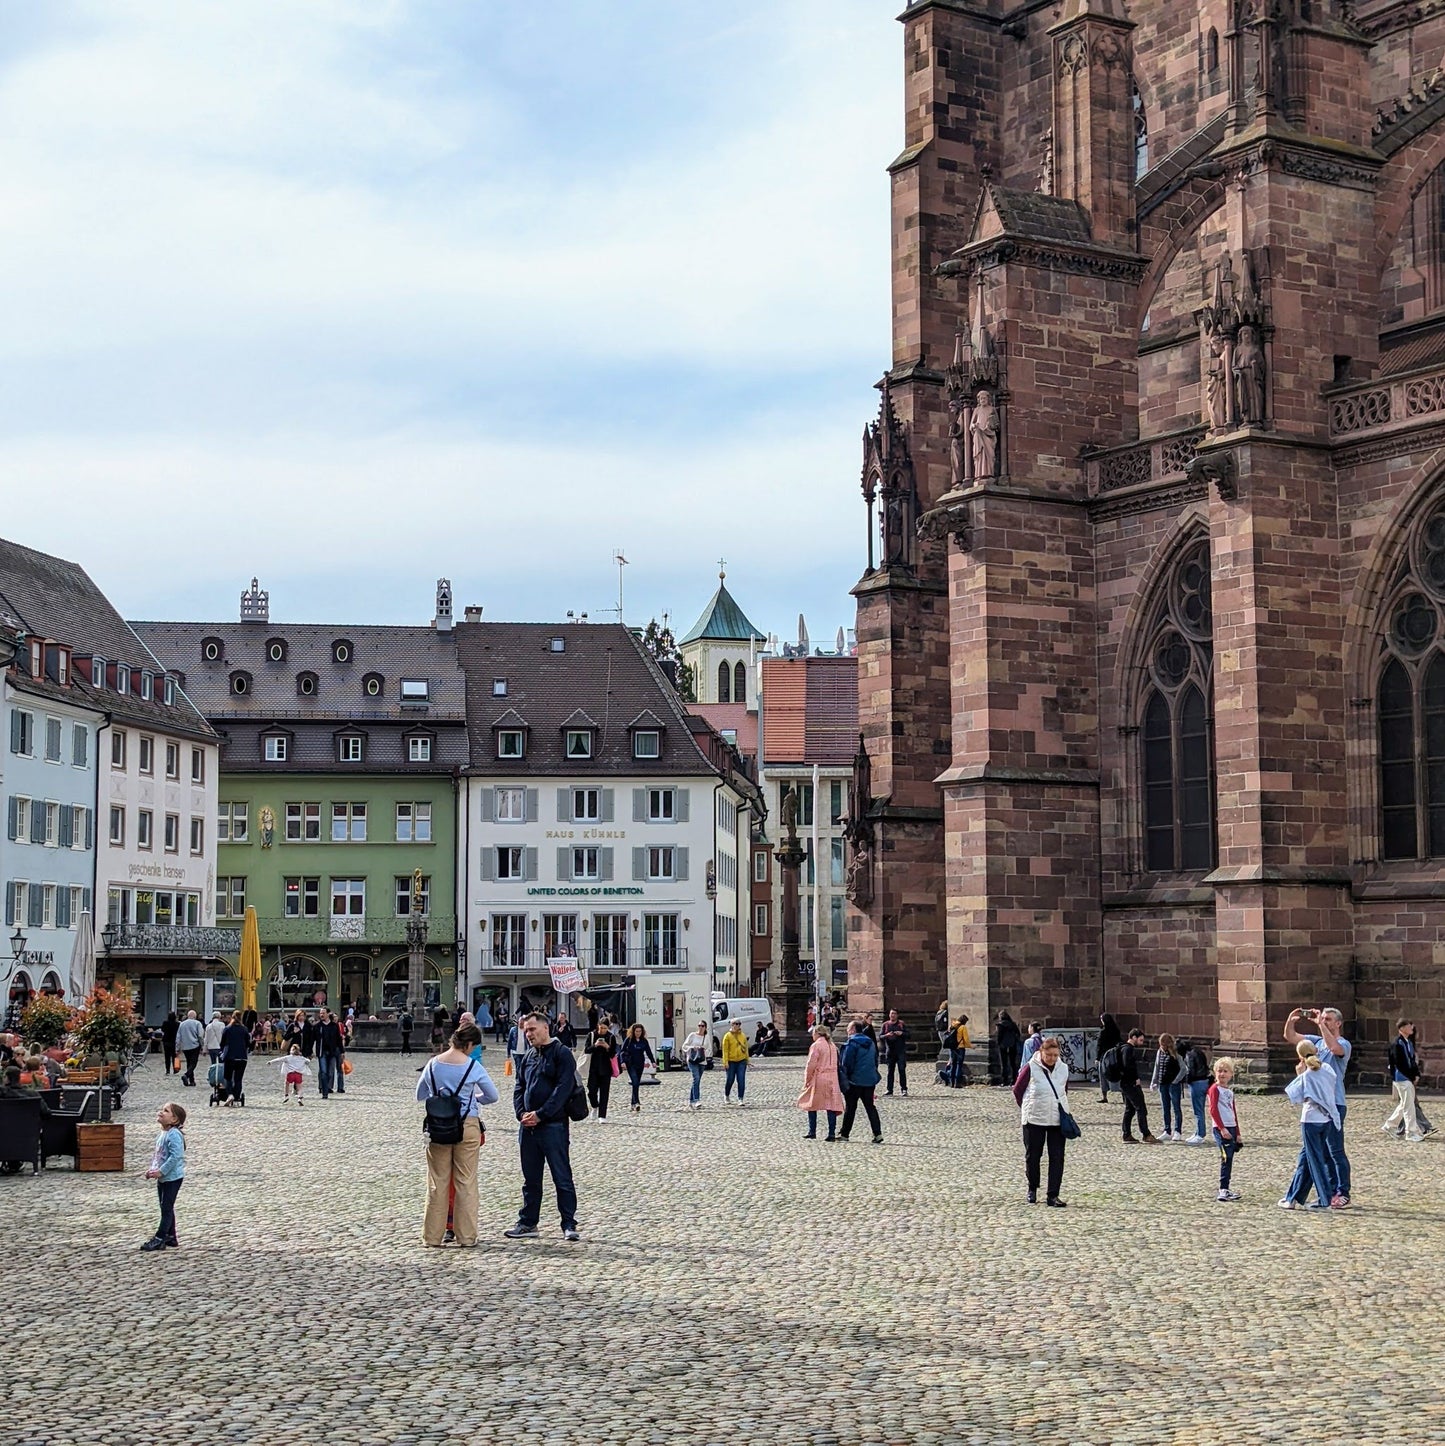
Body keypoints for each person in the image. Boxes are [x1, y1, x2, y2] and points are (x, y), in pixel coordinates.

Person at [416, 1023, 499, 1247]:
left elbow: (419, 1093)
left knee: (437, 1182)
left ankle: (432, 1237)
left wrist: (440, 1095)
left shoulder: (433, 1064)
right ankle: (467, 1237)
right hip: (467, 1125)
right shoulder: (472, 1067)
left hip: (437, 1127)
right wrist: (474, 1098)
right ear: (469, 1044)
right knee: (465, 1181)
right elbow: (493, 1095)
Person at [506, 1013, 580, 1242]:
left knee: (562, 1176)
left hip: (553, 1126)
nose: (528, 1034)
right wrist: (521, 1113)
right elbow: (519, 1086)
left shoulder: (561, 1054)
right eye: (526, 1030)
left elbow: (563, 1089)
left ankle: (569, 1223)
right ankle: (528, 1222)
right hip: (528, 1128)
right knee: (531, 1179)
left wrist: (541, 1114)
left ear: (546, 1028)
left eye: (532, 1029)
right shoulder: (528, 1055)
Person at [1282, 1006, 1352, 1207]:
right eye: (1324, 1018)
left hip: (1335, 1104)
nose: (1326, 1021)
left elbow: (1334, 1048)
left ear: (1338, 1023)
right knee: (1316, 1152)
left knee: (1335, 1150)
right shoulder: (1316, 1042)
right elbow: (1292, 1037)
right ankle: (1320, 1193)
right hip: (1316, 1106)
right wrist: (1290, 1020)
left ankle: (1342, 1192)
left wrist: (1321, 1026)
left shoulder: (1344, 1044)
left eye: (1329, 1019)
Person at [1012, 1034, 1074, 1206]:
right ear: (1042, 1052)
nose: (1052, 1058)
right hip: (1034, 1118)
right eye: (1049, 1055)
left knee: (1057, 1157)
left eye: (1055, 1055)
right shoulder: (1031, 1067)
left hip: (1056, 1118)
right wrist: (1027, 1106)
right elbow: (1017, 1090)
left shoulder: (1063, 1069)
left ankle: (1053, 1195)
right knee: (1033, 1156)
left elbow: (1063, 1090)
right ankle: (1032, 1188)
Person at [1280, 1041, 1341, 1211]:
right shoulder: (1328, 1069)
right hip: (1327, 1119)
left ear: (1300, 1056)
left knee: (1315, 1161)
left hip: (1310, 1120)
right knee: (1305, 1160)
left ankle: (1324, 1199)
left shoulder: (1306, 1075)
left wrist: (1299, 1074)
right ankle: (1293, 1197)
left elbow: (1295, 1097)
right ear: (1315, 1051)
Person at [140, 1101, 186, 1251]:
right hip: (163, 1177)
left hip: (173, 1178)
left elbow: (175, 1157)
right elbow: (158, 1156)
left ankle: (160, 1238)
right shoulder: (163, 1134)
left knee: (166, 1207)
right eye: (162, 1110)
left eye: (166, 1111)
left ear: (174, 1120)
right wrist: (153, 1170)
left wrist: (162, 1171)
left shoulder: (174, 1135)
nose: (161, 1112)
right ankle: (171, 1237)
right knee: (165, 1206)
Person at [838, 1020, 883, 1143]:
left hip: (855, 1081)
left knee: (851, 1107)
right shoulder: (871, 1043)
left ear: (853, 1030)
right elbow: (875, 1060)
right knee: (870, 1107)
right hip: (869, 1080)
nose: (847, 1031)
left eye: (848, 1029)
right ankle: (878, 1133)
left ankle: (845, 1134)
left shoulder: (852, 1043)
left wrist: (846, 1077)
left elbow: (847, 1063)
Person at [798, 1024, 845, 1140]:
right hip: (832, 1078)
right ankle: (831, 1133)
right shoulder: (832, 1045)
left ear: (817, 1033)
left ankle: (812, 1131)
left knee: (812, 1104)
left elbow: (811, 1064)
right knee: (831, 1106)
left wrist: (807, 1079)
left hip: (820, 1077)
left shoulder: (816, 1046)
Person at [1381, 1019, 1425, 1143]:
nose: (1411, 1027)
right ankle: (1410, 1132)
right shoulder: (1397, 1043)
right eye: (1408, 1026)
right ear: (1402, 1028)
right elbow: (1400, 1064)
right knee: (1408, 1106)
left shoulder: (1408, 1043)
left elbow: (1412, 1061)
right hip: (1401, 1078)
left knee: (1405, 1103)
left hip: (1408, 1077)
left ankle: (1389, 1125)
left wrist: (1416, 1074)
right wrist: (1411, 1076)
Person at [1206, 1057, 1242, 1202]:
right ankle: (1223, 1189)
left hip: (1231, 1126)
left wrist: (1238, 1133)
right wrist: (1222, 1128)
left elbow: (1233, 1112)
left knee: (1230, 1157)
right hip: (1222, 1128)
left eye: (1225, 1071)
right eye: (1219, 1071)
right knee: (1225, 1158)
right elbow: (1213, 1110)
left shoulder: (1229, 1092)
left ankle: (1226, 1188)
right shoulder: (1214, 1089)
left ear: (1231, 1074)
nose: (1222, 1074)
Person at [1119, 1028, 1160, 1144]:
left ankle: (1126, 1134)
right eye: (1140, 1040)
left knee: (1130, 1109)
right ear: (1134, 1038)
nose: (1141, 1043)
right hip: (1130, 1084)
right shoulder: (1128, 1049)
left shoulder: (1124, 1048)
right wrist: (1135, 1078)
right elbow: (1127, 1066)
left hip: (1125, 1083)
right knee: (1141, 1108)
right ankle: (1146, 1134)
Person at [1150, 1033, 1185, 1141]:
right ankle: (1167, 1130)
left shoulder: (1176, 1053)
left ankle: (1177, 1131)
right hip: (1163, 1083)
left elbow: (1184, 1069)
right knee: (1165, 1108)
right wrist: (1153, 1081)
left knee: (1176, 1108)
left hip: (1173, 1085)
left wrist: (1176, 1080)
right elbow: (1157, 1067)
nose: (1162, 1047)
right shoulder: (1159, 1052)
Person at [1181, 1038, 1212, 1144]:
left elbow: (1190, 1070)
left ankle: (1200, 1134)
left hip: (1196, 1083)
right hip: (1204, 1081)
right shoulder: (1199, 1052)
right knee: (1200, 1110)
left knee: (1198, 1111)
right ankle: (1198, 1132)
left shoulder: (1189, 1055)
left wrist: (1186, 1081)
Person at [620, 1024, 655, 1114]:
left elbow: (648, 1052)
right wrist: (622, 1061)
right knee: (634, 1081)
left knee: (637, 1083)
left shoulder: (644, 1041)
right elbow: (622, 1051)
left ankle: (633, 1103)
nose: (638, 1033)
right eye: (636, 1031)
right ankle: (637, 1102)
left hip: (640, 1063)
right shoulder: (629, 1040)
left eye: (640, 1031)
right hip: (630, 1063)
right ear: (633, 1031)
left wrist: (653, 1062)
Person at [585, 1021, 617, 1121]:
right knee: (591, 1090)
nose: (602, 1030)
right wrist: (595, 1045)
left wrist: (607, 1047)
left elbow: (613, 1054)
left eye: (604, 1028)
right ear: (597, 1026)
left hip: (606, 1068)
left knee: (604, 1092)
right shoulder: (591, 1035)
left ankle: (602, 1116)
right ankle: (595, 1106)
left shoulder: (611, 1037)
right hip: (593, 1068)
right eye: (600, 1027)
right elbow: (586, 1050)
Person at [219, 1011, 251, 1107]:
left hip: (230, 1056)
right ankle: (237, 1098)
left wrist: (221, 1052)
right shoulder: (244, 1029)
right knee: (238, 1079)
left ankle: (230, 1094)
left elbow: (222, 1043)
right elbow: (248, 1043)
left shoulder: (227, 1029)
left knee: (228, 1078)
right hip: (242, 1057)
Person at [316, 1009, 347, 1099]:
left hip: (332, 1052)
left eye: (323, 1013)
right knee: (323, 1072)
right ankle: (324, 1092)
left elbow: (338, 1039)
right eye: (320, 1013)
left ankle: (327, 1088)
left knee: (330, 1072)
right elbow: (312, 1038)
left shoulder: (334, 1026)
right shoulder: (318, 1026)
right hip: (322, 1052)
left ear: (327, 1014)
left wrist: (342, 1051)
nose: (321, 1015)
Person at [681, 1021, 709, 1110]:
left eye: (702, 1026)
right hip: (692, 1060)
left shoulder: (706, 1037)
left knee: (696, 1081)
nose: (701, 1027)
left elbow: (708, 1048)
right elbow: (684, 1046)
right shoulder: (692, 1035)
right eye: (699, 1025)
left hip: (701, 1061)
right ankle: (697, 1100)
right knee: (695, 1078)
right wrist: (692, 1047)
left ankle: (691, 1100)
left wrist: (703, 1050)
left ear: (705, 1027)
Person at [722, 1019, 750, 1105]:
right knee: (730, 1079)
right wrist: (725, 1062)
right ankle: (726, 1095)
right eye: (735, 1024)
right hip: (731, 1061)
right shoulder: (727, 1036)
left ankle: (740, 1098)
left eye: (739, 1024)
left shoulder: (743, 1036)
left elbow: (746, 1049)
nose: (737, 1026)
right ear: (731, 1025)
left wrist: (747, 1060)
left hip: (741, 1061)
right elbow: (725, 1050)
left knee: (741, 1080)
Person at [881, 1010, 909, 1097]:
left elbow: (909, 1035)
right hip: (890, 1051)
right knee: (890, 1071)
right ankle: (889, 1089)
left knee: (901, 1070)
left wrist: (901, 1033)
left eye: (894, 1014)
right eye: (891, 1013)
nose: (892, 1015)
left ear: (897, 1015)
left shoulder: (901, 1024)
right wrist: (887, 1035)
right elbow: (880, 1036)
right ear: (889, 1015)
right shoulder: (885, 1025)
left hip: (900, 1051)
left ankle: (904, 1089)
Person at [1095, 1013, 1122, 1102]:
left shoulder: (1103, 1032)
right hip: (1115, 1055)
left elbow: (1100, 1045)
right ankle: (1124, 1096)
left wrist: (1097, 1058)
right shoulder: (1116, 1031)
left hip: (1105, 1056)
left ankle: (1104, 1096)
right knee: (1118, 1074)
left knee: (1103, 1075)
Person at [175, 1010, 204, 1087]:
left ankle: (192, 1080)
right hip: (195, 1045)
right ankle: (186, 1075)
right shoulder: (197, 1023)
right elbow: (200, 1035)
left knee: (189, 1062)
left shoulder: (182, 1024)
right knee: (193, 1063)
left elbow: (178, 1037)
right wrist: (202, 1045)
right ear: (195, 1016)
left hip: (185, 1046)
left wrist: (177, 1048)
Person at [995, 1011, 1022, 1086]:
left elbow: (999, 1036)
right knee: (1013, 1063)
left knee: (1004, 1064)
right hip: (1012, 1045)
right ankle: (1014, 1080)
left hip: (1003, 1046)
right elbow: (1018, 1034)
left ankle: (1004, 1080)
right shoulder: (1013, 1024)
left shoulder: (1000, 1025)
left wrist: (998, 1043)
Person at [947, 1015, 971, 1087]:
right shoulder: (963, 1027)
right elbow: (966, 1039)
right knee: (959, 1065)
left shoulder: (951, 1026)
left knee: (953, 1064)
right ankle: (957, 1083)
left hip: (952, 1048)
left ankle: (951, 1082)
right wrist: (970, 1046)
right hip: (960, 1048)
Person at [160, 1011, 180, 1076]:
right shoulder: (177, 1024)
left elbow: (162, 1030)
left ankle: (167, 1070)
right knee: (174, 1056)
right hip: (174, 1041)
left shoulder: (165, 1023)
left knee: (167, 1057)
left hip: (166, 1041)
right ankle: (175, 1069)